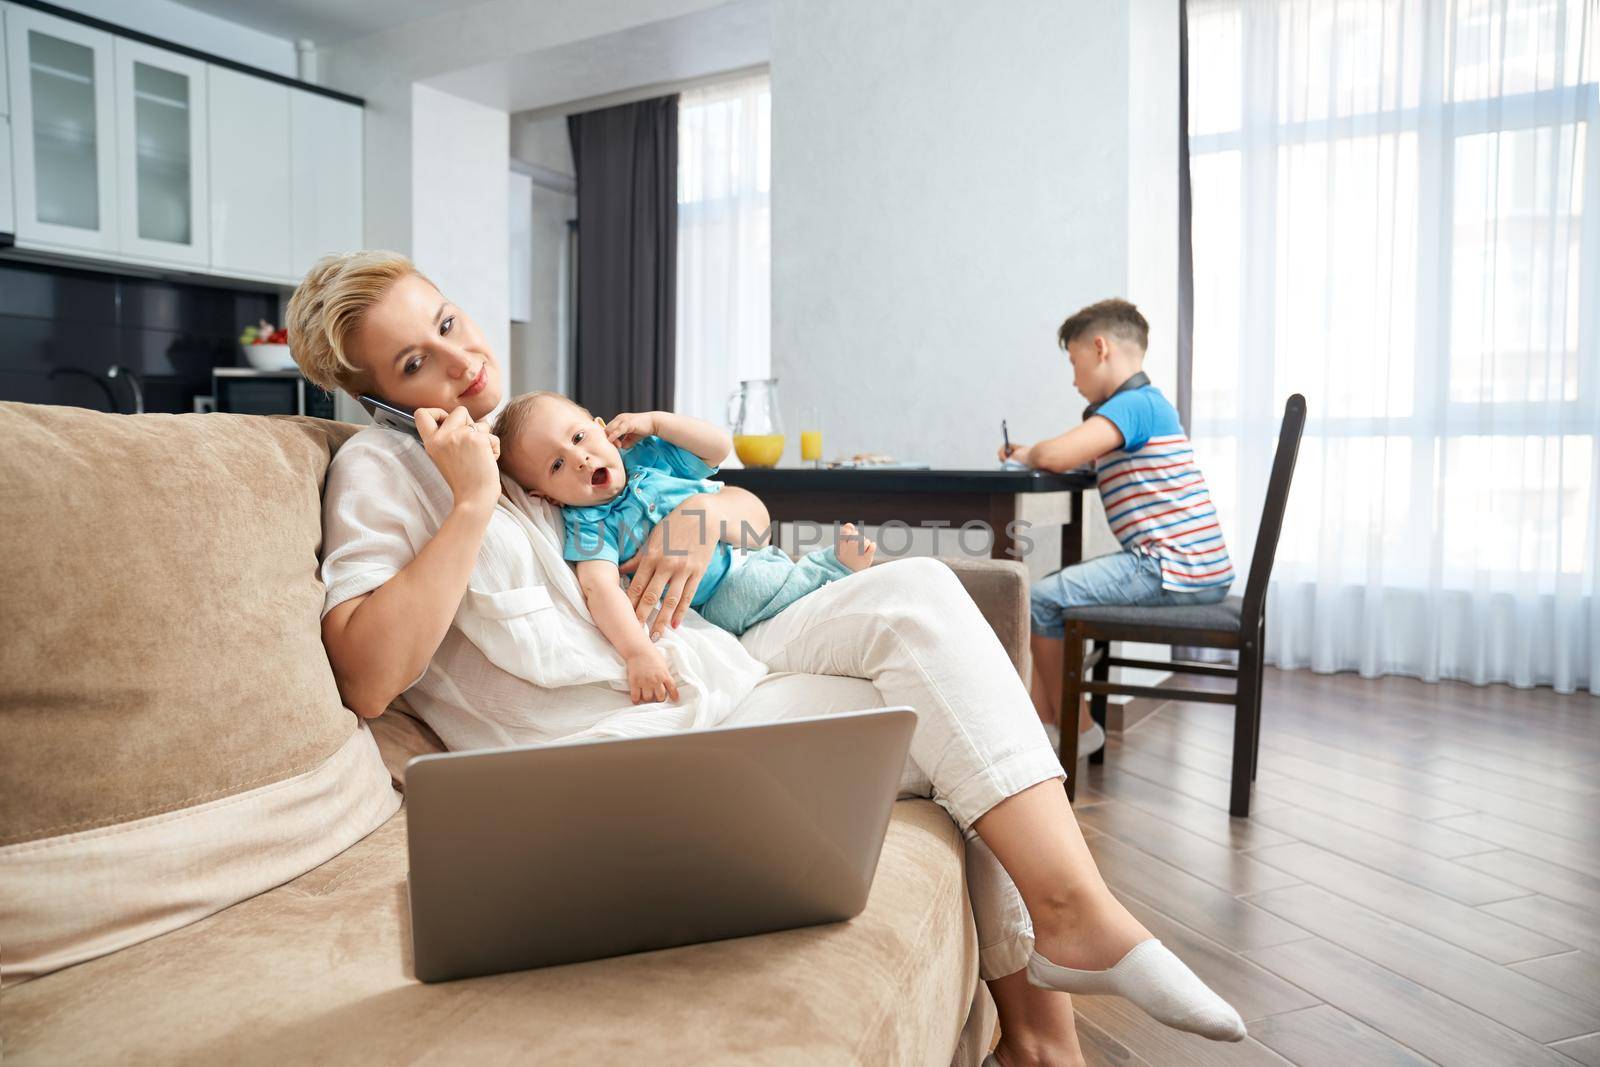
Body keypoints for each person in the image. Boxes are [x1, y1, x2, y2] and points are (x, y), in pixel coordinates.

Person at [287, 252, 1246, 1067]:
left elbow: (743, 504)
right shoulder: (392, 472)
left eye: (452, 323)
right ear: (379, 397)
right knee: (952, 724)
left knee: (924, 597)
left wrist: (701, 520)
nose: (462, 361)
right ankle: (1050, 1031)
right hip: (630, 745)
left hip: (729, 671)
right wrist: (463, 506)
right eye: (418, 361)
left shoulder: (537, 440)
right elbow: (366, 675)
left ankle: (1060, 972)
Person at [492, 391, 874, 703]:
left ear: (601, 428)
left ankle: (826, 572)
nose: (579, 459)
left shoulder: (649, 455)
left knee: (774, 574)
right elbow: (599, 588)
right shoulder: (589, 524)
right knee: (756, 591)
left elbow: (718, 448)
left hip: (743, 550)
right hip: (720, 594)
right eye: (556, 465)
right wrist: (637, 652)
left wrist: (657, 422)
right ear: (547, 498)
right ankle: (830, 569)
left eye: (578, 438)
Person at [1000, 299, 1234, 757]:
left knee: (1042, 598)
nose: (1073, 378)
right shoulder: (1140, 409)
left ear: (1100, 347)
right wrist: (1036, 451)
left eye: (1074, 361)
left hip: (1171, 567)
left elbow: (1054, 456)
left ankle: (1072, 726)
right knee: (1049, 597)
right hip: (1193, 566)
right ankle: (1048, 721)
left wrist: (1026, 453)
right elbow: (1070, 453)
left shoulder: (1135, 405)